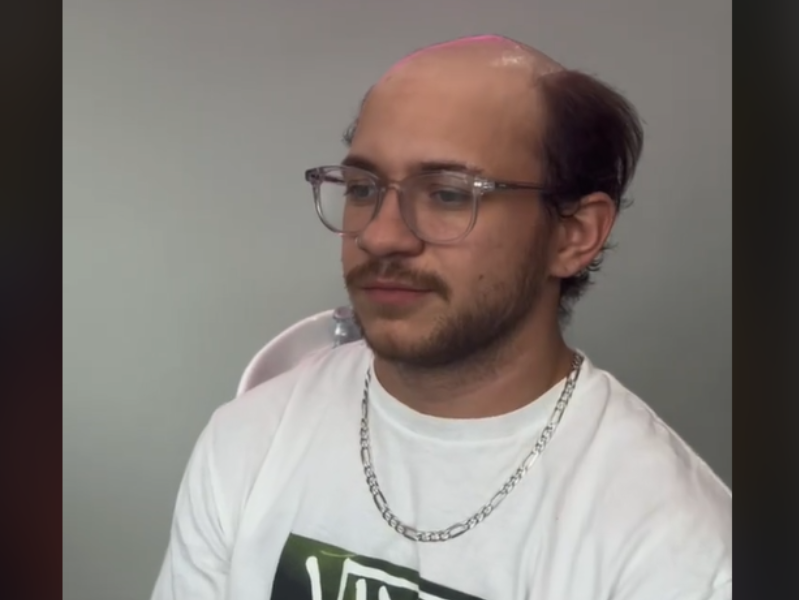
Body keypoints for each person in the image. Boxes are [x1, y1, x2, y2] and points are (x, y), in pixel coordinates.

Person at [151, 35, 731, 600]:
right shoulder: (249, 441)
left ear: (573, 235)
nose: (379, 235)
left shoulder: (678, 548)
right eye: (362, 187)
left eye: (451, 194)